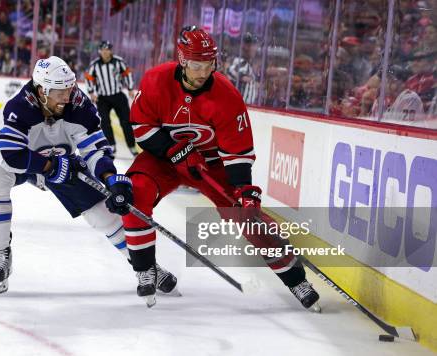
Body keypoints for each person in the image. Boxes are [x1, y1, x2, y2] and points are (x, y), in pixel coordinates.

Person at [123, 26, 319, 308]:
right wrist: (173, 150)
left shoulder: (227, 95)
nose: (203, 72)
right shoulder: (156, 80)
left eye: (209, 64)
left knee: (247, 217)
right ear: (182, 60)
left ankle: (296, 279)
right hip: (162, 160)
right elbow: (141, 127)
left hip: (210, 165)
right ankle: (145, 270)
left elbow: (237, 151)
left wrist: (245, 191)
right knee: (135, 192)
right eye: (196, 65)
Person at [0, 56, 173, 295]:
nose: (68, 96)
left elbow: (94, 148)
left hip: (59, 157)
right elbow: (11, 156)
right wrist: (49, 167)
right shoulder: (20, 107)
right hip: (21, 158)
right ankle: (0, 253)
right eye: (61, 91)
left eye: (70, 88)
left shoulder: (78, 105)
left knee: (103, 214)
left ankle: (145, 265)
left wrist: (109, 176)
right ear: (42, 90)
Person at [84, 41, 138, 156]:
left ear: (110, 50)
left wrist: (130, 88)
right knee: (104, 122)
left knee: (126, 122)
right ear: (100, 51)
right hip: (103, 98)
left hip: (118, 95)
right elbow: (89, 78)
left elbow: (127, 74)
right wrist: (91, 92)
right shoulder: (95, 64)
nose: (105, 52)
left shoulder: (118, 61)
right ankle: (111, 145)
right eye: (103, 49)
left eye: (107, 49)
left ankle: (132, 146)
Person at [226, 32, 259, 104]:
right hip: (241, 107)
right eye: (249, 44)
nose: (252, 48)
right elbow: (230, 71)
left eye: (253, 45)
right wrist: (240, 77)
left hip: (249, 107)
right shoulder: (240, 61)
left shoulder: (249, 64)